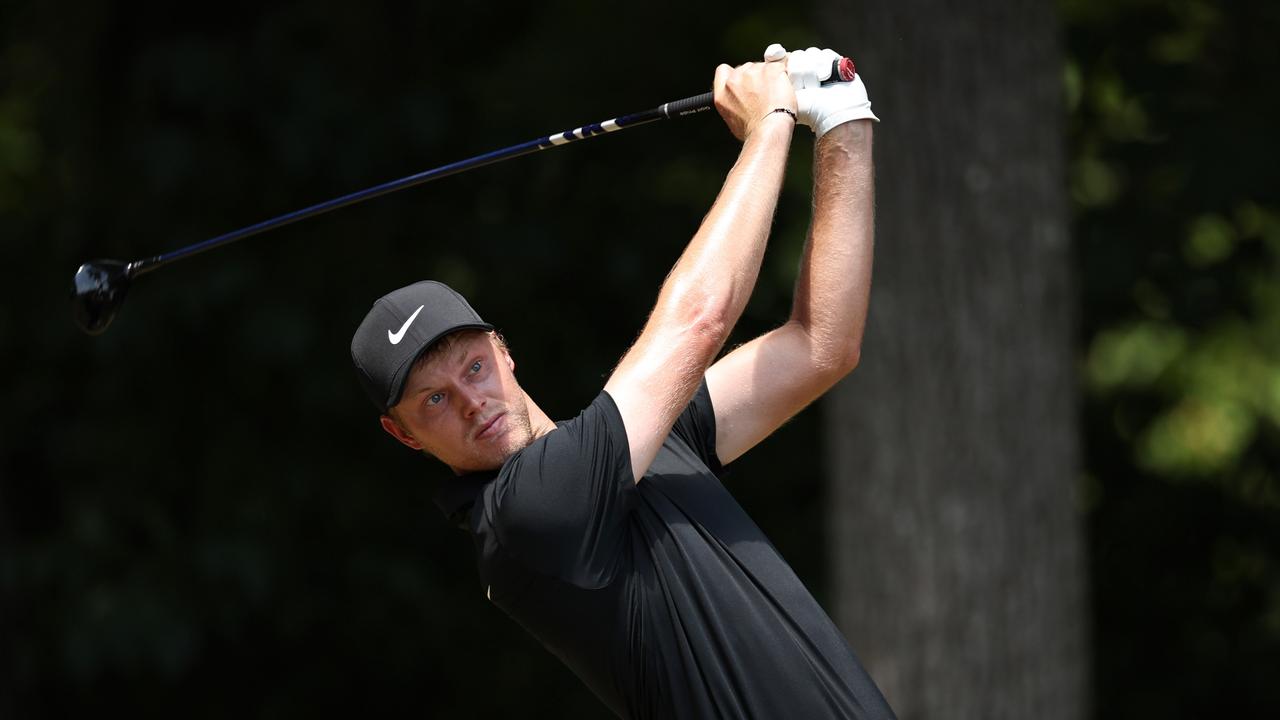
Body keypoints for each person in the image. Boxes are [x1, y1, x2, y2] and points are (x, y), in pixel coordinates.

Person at [350, 44, 894, 720]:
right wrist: (771, 120)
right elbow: (698, 320)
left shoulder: (634, 446)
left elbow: (821, 347)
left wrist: (843, 118)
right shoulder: (523, 517)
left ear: (503, 349)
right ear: (402, 435)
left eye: (471, 367)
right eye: (434, 399)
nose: (471, 402)